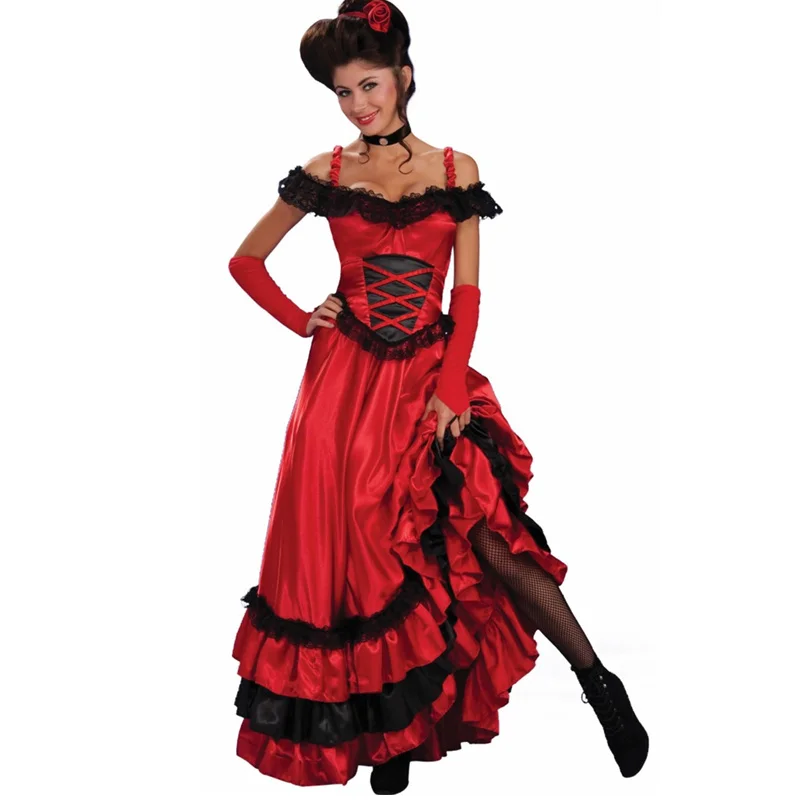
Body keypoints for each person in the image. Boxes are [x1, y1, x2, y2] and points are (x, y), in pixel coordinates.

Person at [228, 1, 649, 793]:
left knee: (489, 538)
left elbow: (469, 295)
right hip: (341, 394)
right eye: (343, 91)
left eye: (369, 84)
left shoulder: (457, 171)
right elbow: (245, 261)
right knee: (358, 558)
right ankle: (390, 737)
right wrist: (301, 317)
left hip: (430, 378)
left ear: (404, 76)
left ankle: (599, 683)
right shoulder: (326, 173)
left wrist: (451, 388)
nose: (357, 103)